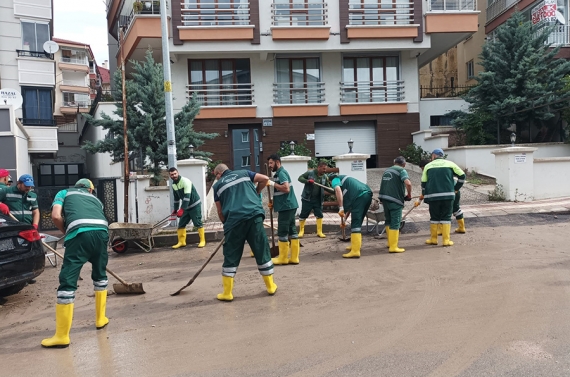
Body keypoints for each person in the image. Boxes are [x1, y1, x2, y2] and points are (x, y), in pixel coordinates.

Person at [41, 179, 110, 348]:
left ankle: (62, 336)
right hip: (102, 233)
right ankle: (101, 319)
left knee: (68, 280)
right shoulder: (97, 200)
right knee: (100, 276)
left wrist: (67, 232)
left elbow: (56, 216)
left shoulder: (64, 193)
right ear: (91, 190)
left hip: (79, 235)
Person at [212, 164, 277, 301]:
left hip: (234, 221)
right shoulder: (244, 173)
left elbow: (219, 211)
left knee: (231, 254)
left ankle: (227, 293)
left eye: (215, 175)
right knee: (261, 249)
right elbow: (265, 179)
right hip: (254, 216)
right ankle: (270, 286)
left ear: (218, 173)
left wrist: (227, 226)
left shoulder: (217, 186)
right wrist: (256, 192)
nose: (216, 178)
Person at [419, 148, 466, 247]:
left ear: (433, 156)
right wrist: (456, 188)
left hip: (433, 196)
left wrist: (424, 195)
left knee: (434, 217)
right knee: (446, 217)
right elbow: (462, 176)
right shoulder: (450, 164)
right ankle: (446, 241)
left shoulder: (428, 166)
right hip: (448, 196)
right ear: (442, 155)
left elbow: (423, 183)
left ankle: (433, 239)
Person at [267, 154, 300, 265]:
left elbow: (286, 189)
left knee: (282, 231)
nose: (269, 166)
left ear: (277, 162)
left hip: (286, 206)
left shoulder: (281, 173)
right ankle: (294, 258)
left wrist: (272, 183)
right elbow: (280, 192)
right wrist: (273, 201)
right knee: (292, 230)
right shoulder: (278, 174)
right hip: (288, 205)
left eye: (271, 163)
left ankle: (283, 258)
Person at [331, 175, 373, 258]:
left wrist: (341, 207)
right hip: (367, 195)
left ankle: (355, 251)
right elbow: (351, 207)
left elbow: (338, 190)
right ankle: (355, 246)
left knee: (355, 224)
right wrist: (344, 221)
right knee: (358, 221)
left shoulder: (335, 179)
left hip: (360, 196)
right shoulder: (349, 185)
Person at [378, 156, 413, 253]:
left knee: (388, 220)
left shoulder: (387, 170)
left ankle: (389, 243)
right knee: (395, 222)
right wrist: (409, 194)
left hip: (384, 199)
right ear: (404, 164)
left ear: (394, 162)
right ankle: (393, 247)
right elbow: (408, 183)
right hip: (395, 200)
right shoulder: (402, 170)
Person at [169, 167, 205, 249]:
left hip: (195, 205)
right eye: (172, 175)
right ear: (170, 176)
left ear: (178, 172)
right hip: (186, 207)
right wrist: (175, 209)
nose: (174, 175)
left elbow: (187, 198)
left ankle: (202, 240)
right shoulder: (174, 185)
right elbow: (176, 199)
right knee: (181, 224)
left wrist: (181, 209)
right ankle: (181, 242)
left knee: (197, 223)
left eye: (175, 173)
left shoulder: (185, 181)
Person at [297, 161, 330, 238]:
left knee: (319, 215)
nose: (325, 171)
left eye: (325, 169)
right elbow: (300, 178)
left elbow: (327, 187)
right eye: (323, 169)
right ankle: (301, 231)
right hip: (307, 199)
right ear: (319, 167)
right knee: (303, 215)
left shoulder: (325, 177)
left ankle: (319, 232)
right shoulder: (310, 173)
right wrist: (307, 181)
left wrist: (335, 190)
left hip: (318, 199)